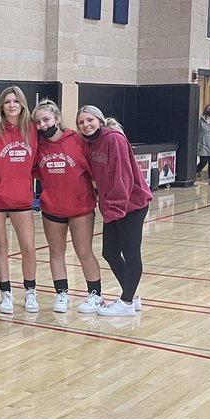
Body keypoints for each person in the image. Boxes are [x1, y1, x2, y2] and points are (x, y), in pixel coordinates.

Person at [77, 106, 153, 317]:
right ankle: (131, 295)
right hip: (113, 206)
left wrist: (117, 208)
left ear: (99, 121)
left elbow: (123, 176)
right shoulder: (91, 143)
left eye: (90, 120)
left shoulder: (114, 139)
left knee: (130, 253)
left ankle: (127, 302)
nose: (86, 125)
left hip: (131, 204)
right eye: (81, 122)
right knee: (109, 252)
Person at [32, 100, 103, 314]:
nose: (43, 125)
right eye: (38, 122)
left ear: (57, 119)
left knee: (84, 251)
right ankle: (61, 294)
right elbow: (35, 171)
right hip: (52, 208)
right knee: (56, 252)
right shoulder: (39, 146)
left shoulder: (77, 141)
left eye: (46, 119)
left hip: (80, 207)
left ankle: (95, 294)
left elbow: (94, 171)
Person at [0, 86, 39, 314]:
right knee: (0, 247)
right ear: (1, 105)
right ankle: (5, 293)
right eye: (7, 101)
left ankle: (30, 291)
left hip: (22, 199)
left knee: (28, 247)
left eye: (16, 101)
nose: (11, 105)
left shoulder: (33, 130)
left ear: (23, 105)